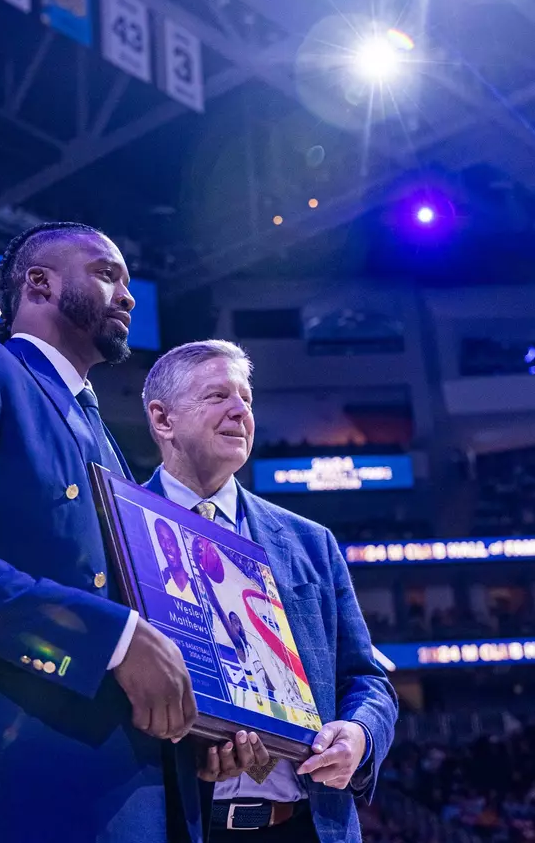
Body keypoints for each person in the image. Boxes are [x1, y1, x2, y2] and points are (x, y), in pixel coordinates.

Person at [0, 222, 264, 843]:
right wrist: (114, 637)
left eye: (128, 281)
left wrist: (200, 727)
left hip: (118, 802)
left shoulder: (109, 446)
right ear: (40, 283)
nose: (127, 295)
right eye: (108, 275)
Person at [142, 340, 398, 843]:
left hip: (306, 827)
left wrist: (360, 736)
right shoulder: (118, 528)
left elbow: (368, 679)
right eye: (217, 396)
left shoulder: (310, 541)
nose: (240, 411)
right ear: (163, 419)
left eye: (246, 399)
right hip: (181, 826)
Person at [155, 517, 200, 604]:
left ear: (179, 550)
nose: (167, 547)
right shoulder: (161, 582)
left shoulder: (197, 588)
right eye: (163, 542)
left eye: (170, 542)